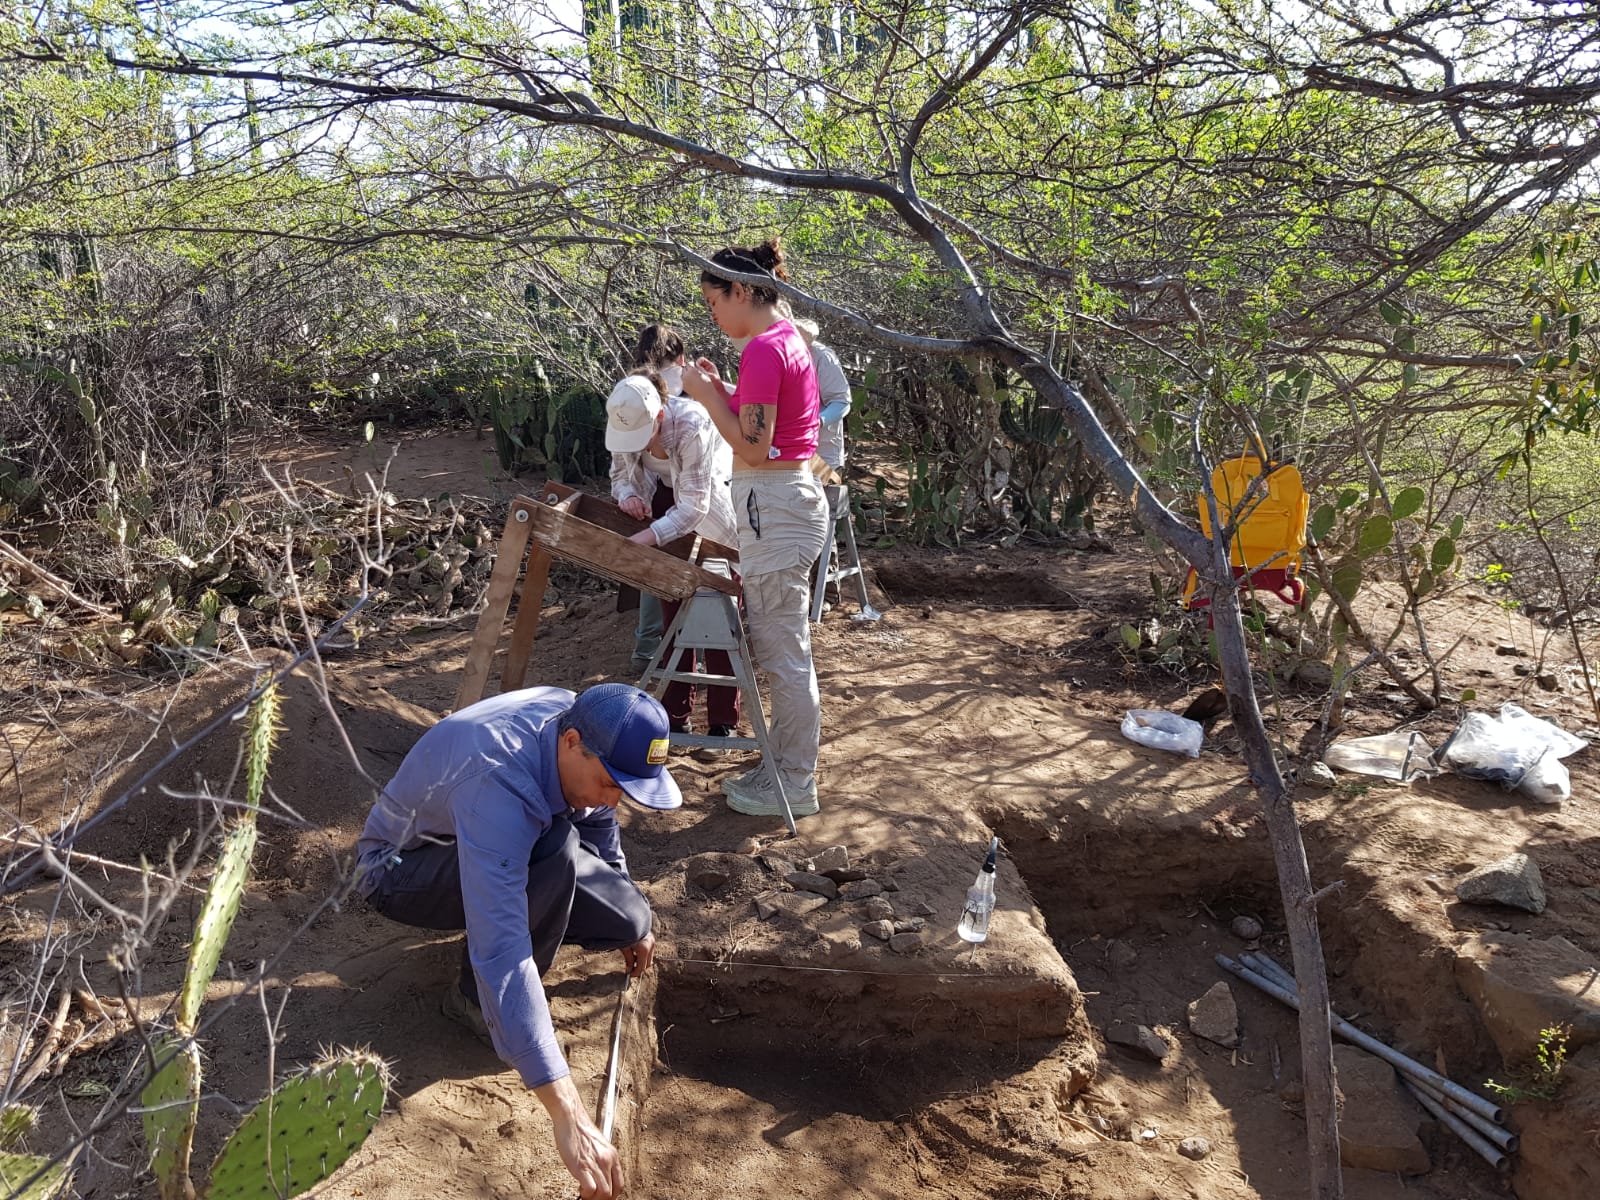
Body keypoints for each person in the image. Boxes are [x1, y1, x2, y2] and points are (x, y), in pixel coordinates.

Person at [354, 683, 680, 1200]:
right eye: (609, 782)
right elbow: (503, 953)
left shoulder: (581, 722)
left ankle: (546, 897)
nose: (614, 798)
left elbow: (598, 820)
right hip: (399, 870)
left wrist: (624, 894)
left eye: (626, 787)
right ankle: (467, 1001)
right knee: (550, 848)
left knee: (630, 914)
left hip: (493, 837)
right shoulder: (499, 784)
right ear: (572, 742)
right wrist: (568, 1111)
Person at [680, 237, 828, 818]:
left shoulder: (765, 348)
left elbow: (753, 446)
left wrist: (702, 395)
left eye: (714, 302)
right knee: (783, 650)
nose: (713, 314)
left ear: (740, 290)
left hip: (776, 504)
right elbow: (762, 424)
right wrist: (721, 390)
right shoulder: (786, 339)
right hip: (783, 503)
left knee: (785, 656)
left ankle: (794, 779)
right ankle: (787, 766)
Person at [605, 351, 740, 740]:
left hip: (711, 513)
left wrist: (643, 540)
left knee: (720, 616)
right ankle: (674, 713)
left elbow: (696, 505)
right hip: (661, 508)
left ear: (659, 416)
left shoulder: (691, 423)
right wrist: (629, 495)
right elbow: (620, 473)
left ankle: (722, 722)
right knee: (674, 617)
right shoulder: (624, 414)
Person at [792, 318, 852, 611]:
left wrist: (816, 421)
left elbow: (842, 401)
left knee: (823, 517)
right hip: (793, 452)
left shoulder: (822, 357)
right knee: (799, 517)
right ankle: (803, 593)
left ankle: (827, 593)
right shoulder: (784, 358)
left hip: (822, 454)